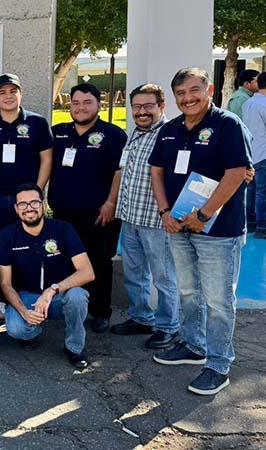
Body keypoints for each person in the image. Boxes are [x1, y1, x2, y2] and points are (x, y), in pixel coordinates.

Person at [149, 67, 252, 396]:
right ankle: (194, 346)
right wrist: (165, 211)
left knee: (219, 300)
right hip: (178, 226)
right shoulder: (169, 130)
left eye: (194, 90)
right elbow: (157, 171)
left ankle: (219, 363)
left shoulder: (227, 124)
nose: (188, 98)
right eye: (181, 93)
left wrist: (204, 214)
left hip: (218, 231)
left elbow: (237, 172)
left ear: (209, 90)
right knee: (189, 292)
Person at [49, 83, 127, 334]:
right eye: (75, 103)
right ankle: (72, 309)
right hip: (63, 215)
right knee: (67, 262)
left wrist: (111, 203)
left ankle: (100, 311)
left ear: (98, 104)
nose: (80, 108)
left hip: (100, 215)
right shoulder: (58, 132)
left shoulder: (114, 134)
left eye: (87, 102)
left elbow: (120, 172)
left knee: (99, 263)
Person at [0, 73, 54, 319]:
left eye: (13, 91)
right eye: (2, 92)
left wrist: (37, 194)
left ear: (21, 94)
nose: (8, 96)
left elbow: (46, 159)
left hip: (28, 203)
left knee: (27, 249)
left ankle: (25, 299)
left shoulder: (37, 123)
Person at [109, 84, 180, 350]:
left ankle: (168, 327)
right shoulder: (135, 134)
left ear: (161, 106)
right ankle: (141, 318)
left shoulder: (170, 134)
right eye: (137, 106)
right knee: (134, 274)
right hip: (130, 218)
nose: (142, 112)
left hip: (157, 221)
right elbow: (123, 171)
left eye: (148, 106)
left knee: (164, 277)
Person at [0, 183, 94, 369]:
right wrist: (24, 311)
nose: (29, 208)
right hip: (27, 297)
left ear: (43, 204)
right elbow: (5, 283)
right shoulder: (7, 235)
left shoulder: (63, 229)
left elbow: (87, 272)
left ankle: (74, 347)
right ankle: (31, 333)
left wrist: (52, 290)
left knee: (78, 296)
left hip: (58, 296)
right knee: (17, 329)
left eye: (34, 202)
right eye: (23, 204)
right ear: (16, 209)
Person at [242, 72, 266, 239]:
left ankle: (249, 223)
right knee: (262, 191)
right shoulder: (264, 104)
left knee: (251, 189)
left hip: (251, 151)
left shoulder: (248, 103)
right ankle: (263, 226)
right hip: (264, 152)